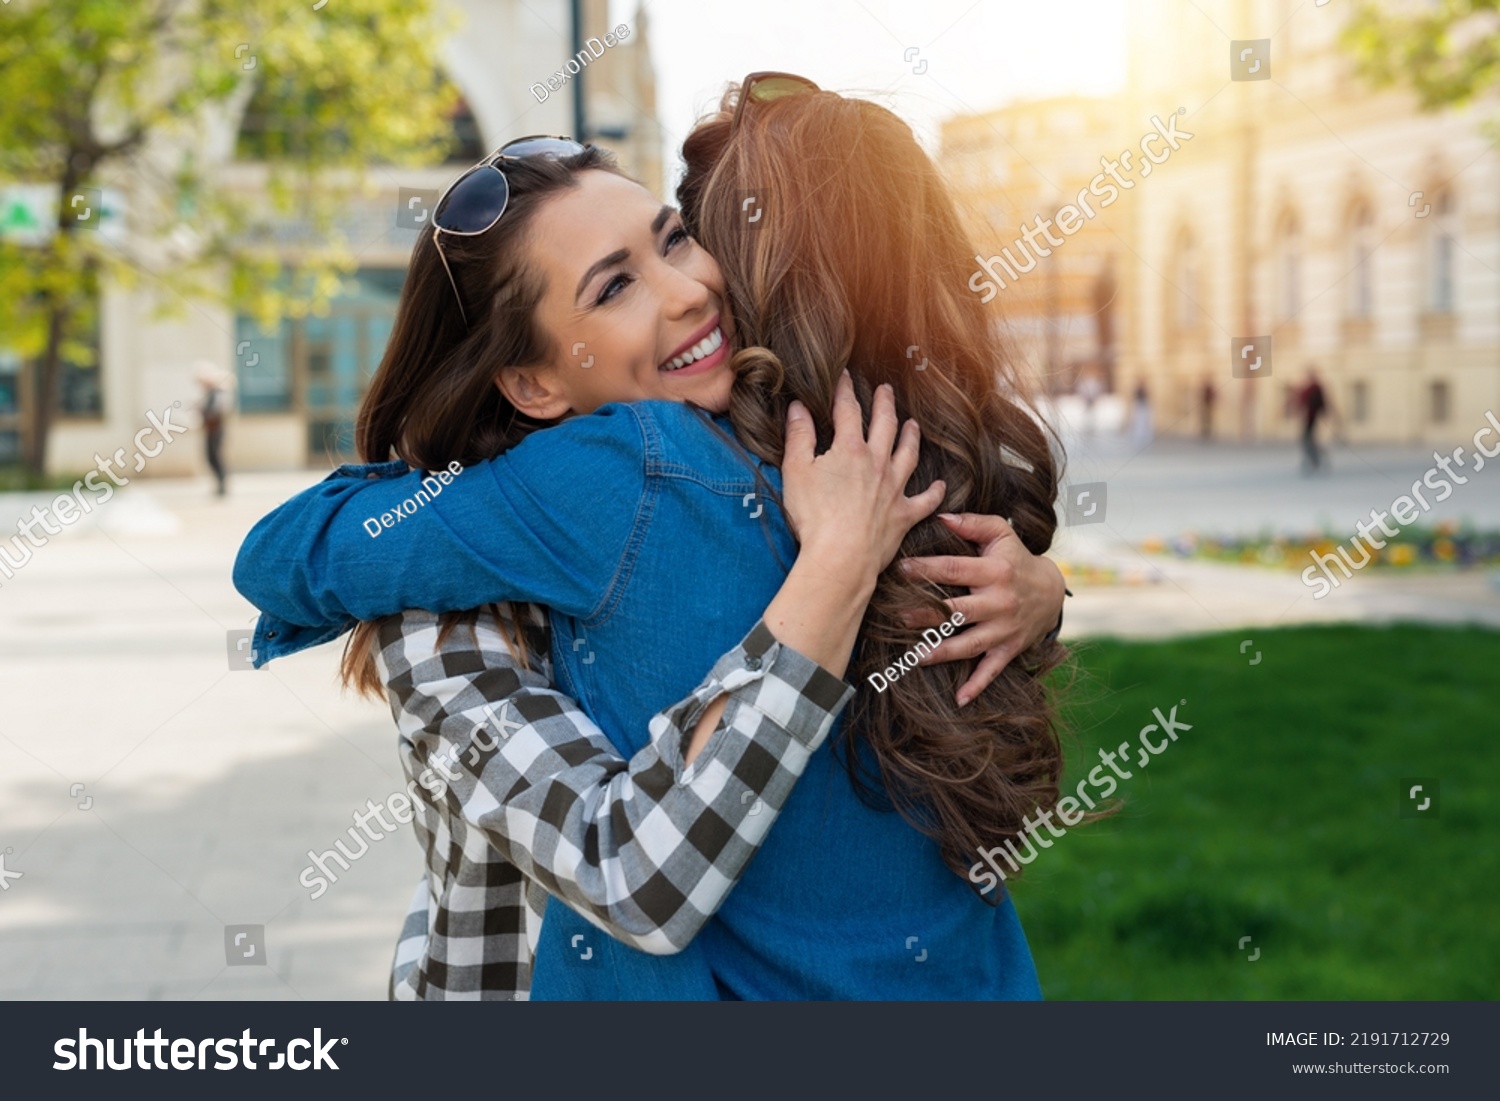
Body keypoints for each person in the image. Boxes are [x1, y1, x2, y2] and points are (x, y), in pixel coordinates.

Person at [236, 78, 1070, 1000]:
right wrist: (1026, 587)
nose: (687, 292)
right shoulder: (888, 446)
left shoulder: (648, 463)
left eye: (675, 239)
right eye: (616, 286)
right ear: (533, 383)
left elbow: (283, 557)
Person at [195, 361, 230, 496]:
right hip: (211, 431)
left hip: (216, 430)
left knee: (215, 457)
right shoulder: (210, 394)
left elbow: (217, 411)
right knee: (210, 457)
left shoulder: (217, 393)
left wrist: (203, 412)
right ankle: (219, 484)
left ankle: (222, 484)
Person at [1299, 368, 1330, 473]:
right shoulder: (1311, 388)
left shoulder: (1315, 388)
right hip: (1309, 417)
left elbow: (1320, 402)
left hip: (1311, 418)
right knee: (1308, 441)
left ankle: (1315, 461)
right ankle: (1314, 460)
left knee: (1308, 441)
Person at [1130, 380, 1153, 448]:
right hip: (1140, 406)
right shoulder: (1139, 390)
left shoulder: (1142, 390)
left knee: (1143, 423)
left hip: (1142, 406)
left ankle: (1143, 436)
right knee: (1139, 423)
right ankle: (1139, 436)